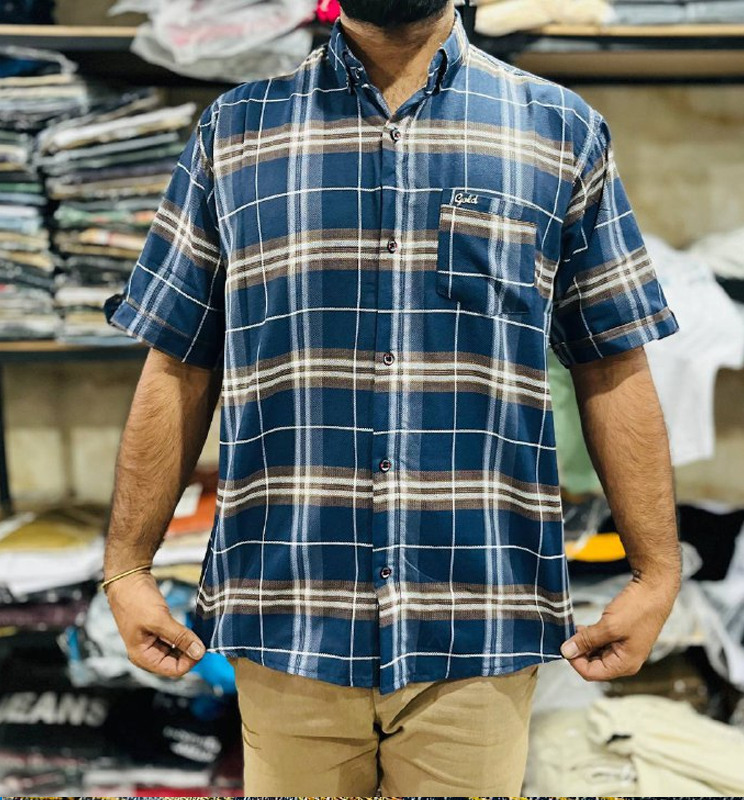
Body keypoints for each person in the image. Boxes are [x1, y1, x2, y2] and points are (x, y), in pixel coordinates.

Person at [101, 0, 682, 794]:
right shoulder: (233, 134)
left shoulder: (560, 131)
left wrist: (656, 572)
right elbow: (178, 362)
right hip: (289, 619)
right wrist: (126, 567)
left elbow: (613, 360)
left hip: (479, 624)